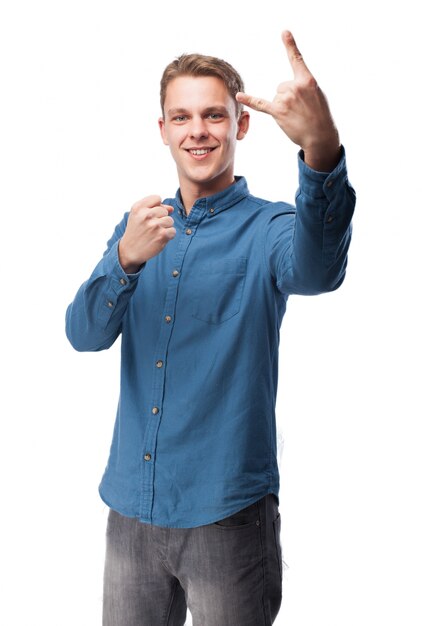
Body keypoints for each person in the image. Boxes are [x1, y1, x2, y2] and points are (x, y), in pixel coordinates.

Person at [66, 30, 355, 626]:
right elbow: (84, 334)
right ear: (164, 129)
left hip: (226, 518)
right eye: (183, 116)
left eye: (214, 115)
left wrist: (321, 150)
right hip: (131, 512)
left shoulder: (271, 228)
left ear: (240, 126)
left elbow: (320, 268)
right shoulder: (140, 226)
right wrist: (124, 258)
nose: (198, 130)